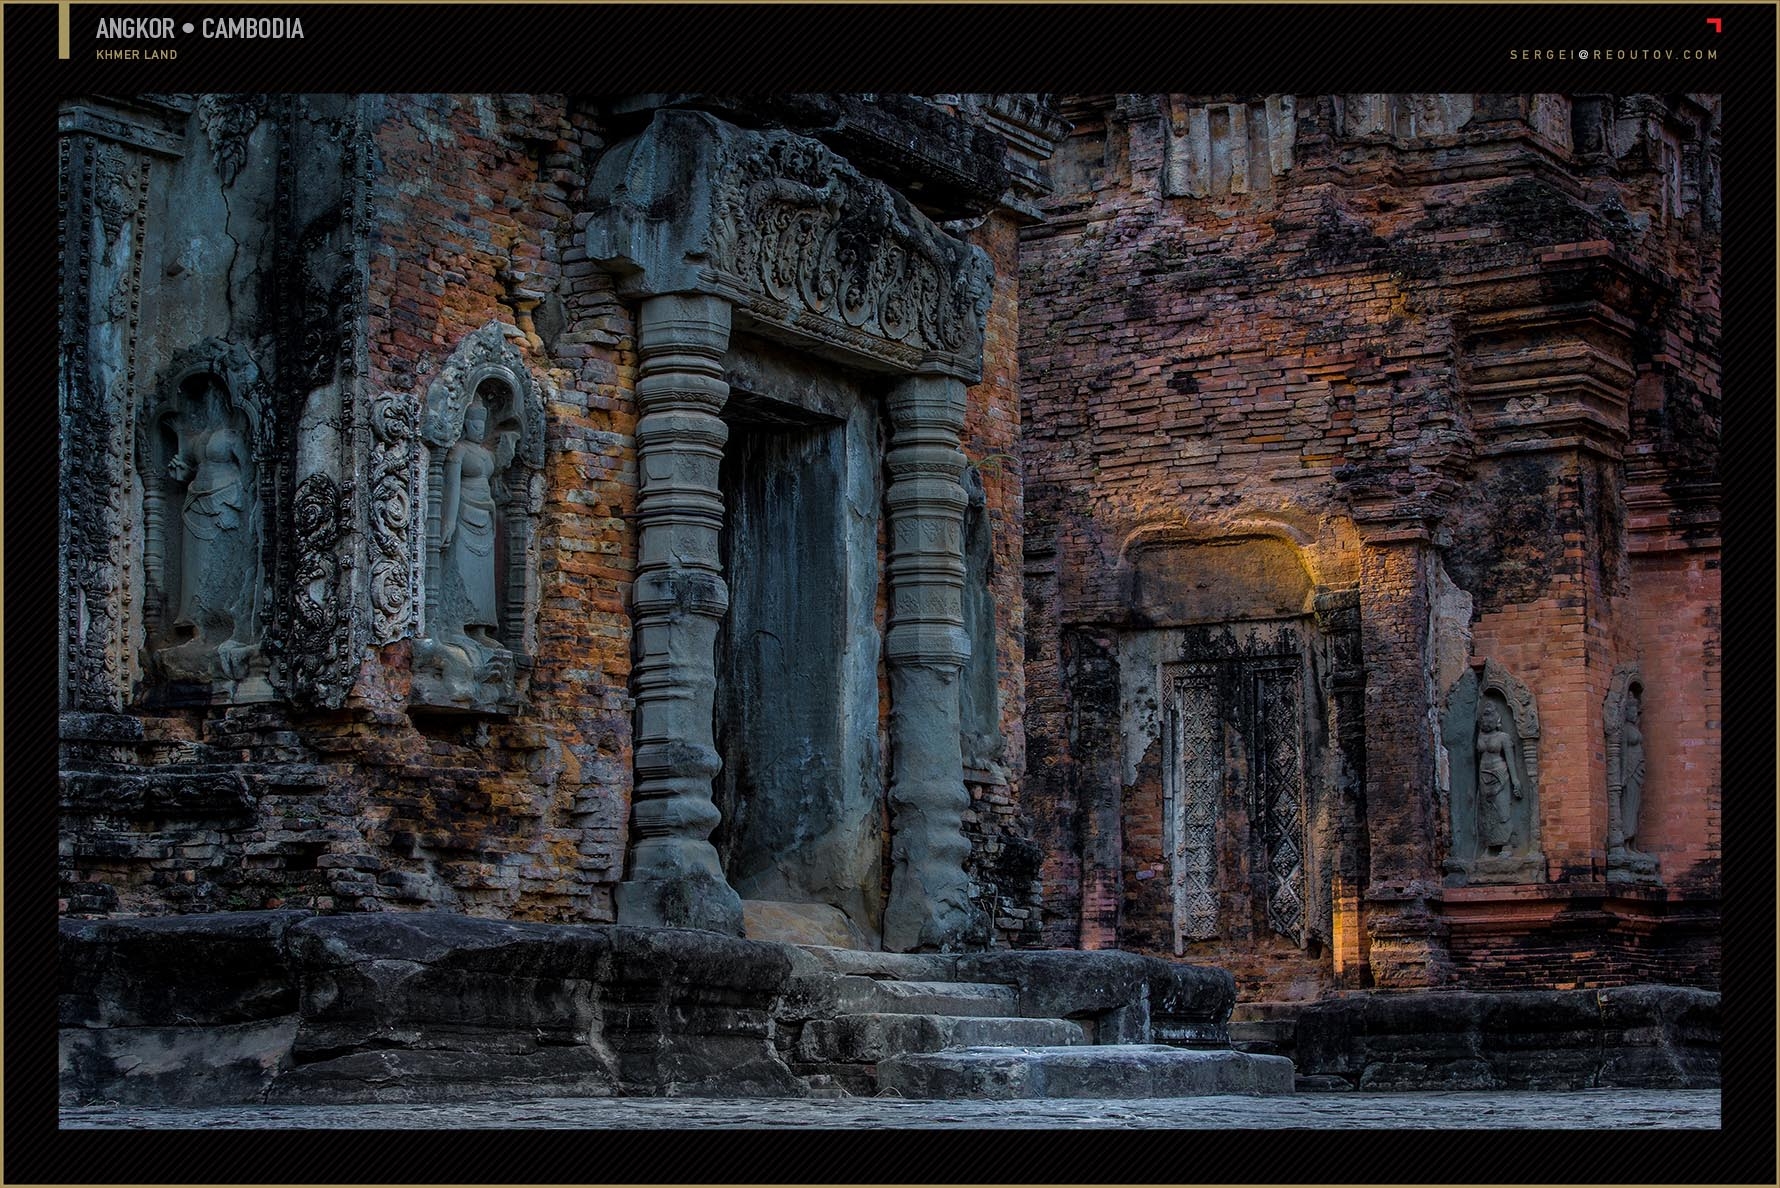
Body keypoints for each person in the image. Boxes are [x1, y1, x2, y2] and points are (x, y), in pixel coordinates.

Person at [439, 403, 501, 649]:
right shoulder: (459, 452)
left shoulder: (486, 455)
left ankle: (480, 629)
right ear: (465, 424)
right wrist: (448, 522)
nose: (479, 429)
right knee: (460, 568)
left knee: (484, 577)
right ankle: (455, 624)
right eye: (474, 424)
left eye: (482, 425)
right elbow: (451, 488)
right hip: (463, 515)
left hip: (485, 516)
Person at [1475, 699, 1521, 857]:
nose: (1486, 720)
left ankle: (1506, 845)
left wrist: (1515, 781)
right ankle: (1489, 845)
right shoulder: (1480, 736)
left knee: (1502, 810)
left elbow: (1510, 761)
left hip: (1501, 775)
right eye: (1484, 717)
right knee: (1486, 811)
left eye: (1490, 716)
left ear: (1497, 719)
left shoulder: (1503, 737)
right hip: (1483, 775)